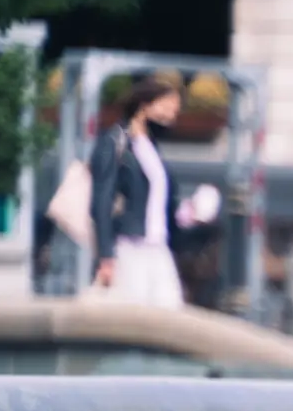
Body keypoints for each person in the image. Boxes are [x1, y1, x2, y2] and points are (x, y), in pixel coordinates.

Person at [87, 73, 214, 309]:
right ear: (144, 105)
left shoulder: (150, 145)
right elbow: (101, 201)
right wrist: (106, 256)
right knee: (132, 314)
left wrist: (188, 213)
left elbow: (159, 200)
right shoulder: (115, 142)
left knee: (170, 309)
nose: (172, 114)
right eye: (167, 107)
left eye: (175, 109)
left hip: (157, 244)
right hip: (129, 244)